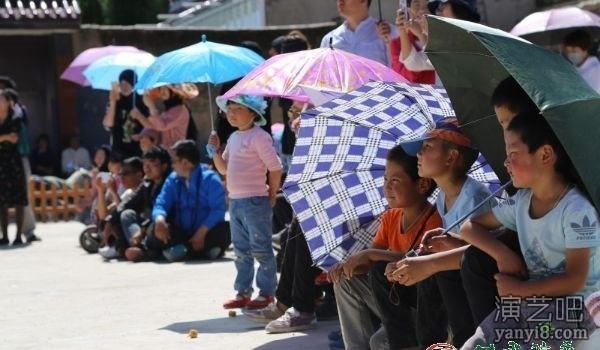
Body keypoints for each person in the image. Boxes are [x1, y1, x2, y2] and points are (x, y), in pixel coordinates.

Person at [459, 113, 600, 349]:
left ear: (545, 154)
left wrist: (519, 289)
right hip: (531, 304)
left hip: (579, 307)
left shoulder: (576, 211)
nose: (506, 163)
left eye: (512, 154)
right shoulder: (521, 202)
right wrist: (503, 254)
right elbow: (469, 227)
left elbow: (576, 279)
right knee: (478, 343)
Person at [387, 118, 494, 348]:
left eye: (426, 148)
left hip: (474, 281)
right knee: (389, 270)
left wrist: (433, 258)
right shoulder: (443, 196)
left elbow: (480, 254)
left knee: (435, 271)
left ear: (451, 157)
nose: (418, 155)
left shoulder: (474, 197)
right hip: (458, 274)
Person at [327, 145, 441, 350]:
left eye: (395, 180)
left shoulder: (434, 221)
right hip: (390, 300)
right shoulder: (391, 217)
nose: (387, 187)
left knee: (379, 342)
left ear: (423, 184)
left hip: (418, 307)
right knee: (345, 280)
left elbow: (417, 261)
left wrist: (370, 254)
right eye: (386, 179)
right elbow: (371, 264)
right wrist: (349, 266)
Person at [460, 76, 540, 326]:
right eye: (502, 124)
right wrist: (502, 253)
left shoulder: (572, 204)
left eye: (509, 123)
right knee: (475, 259)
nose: (505, 133)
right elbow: (470, 227)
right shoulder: (523, 197)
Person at [208, 94, 282, 310]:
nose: (231, 113)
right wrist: (215, 152)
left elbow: (275, 167)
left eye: (237, 109)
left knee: (261, 248)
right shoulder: (233, 138)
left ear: (253, 113)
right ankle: (243, 291)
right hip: (237, 201)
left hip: (255, 200)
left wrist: (272, 193)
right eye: (229, 109)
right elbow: (224, 168)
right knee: (241, 250)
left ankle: (267, 293)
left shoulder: (259, 137)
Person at [148, 140, 229, 262]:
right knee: (155, 229)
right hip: (181, 235)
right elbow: (161, 203)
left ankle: (184, 251)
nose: (172, 166)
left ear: (185, 162)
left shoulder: (211, 179)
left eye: (174, 161)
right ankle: (200, 251)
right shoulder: (172, 179)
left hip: (206, 233)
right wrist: (159, 219)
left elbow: (217, 211)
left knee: (226, 230)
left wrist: (201, 233)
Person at [111, 146, 172, 261]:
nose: (147, 169)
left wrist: (143, 229)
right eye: (145, 165)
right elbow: (129, 202)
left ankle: (143, 251)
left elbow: (164, 211)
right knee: (126, 214)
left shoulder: (170, 183)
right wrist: (110, 219)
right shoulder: (147, 183)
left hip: (164, 224)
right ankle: (141, 249)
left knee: (155, 226)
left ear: (164, 166)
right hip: (148, 226)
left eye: (151, 165)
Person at [394, 0, 480, 74]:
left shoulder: (462, 52)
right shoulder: (445, 45)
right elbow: (413, 63)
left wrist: (425, 33)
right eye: (438, 9)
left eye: (442, 14)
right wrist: (405, 30)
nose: (435, 15)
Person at [96, 156, 145, 259]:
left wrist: (114, 192)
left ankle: (134, 248)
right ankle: (117, 247)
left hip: (143, 230)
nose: (121, 178)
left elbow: (121, 212)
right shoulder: (128, 192)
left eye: (125, 174)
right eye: (120, 174)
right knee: (109, 221)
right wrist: (100, 190)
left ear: (139, 175)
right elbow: (104, 215)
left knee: (123, 216)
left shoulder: (145, 190)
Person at [321, 0, 392, 66]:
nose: (340, 0)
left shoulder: (389, 33)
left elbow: (397, 71)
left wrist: (389, 42)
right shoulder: (329, 40)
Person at [380, 0, 436, 83]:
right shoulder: (397, 43)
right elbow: (402, 76)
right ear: (408, 9)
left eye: (428, 5)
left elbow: (436, 59)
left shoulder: (442, 38)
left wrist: (421, 34)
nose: (422, 10)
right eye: (417, 4)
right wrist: (402, 30)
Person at [0, 89, 28, 245]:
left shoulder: (16, 117)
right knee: (1, 200)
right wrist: (5, 137)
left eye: (2, 99)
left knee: (18, 198)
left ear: (8, 102)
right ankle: (4, 235)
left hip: (13, 160)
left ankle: (18, 235)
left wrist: (4, 138)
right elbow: (9, 137)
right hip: (1, 161)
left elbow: (15, 138)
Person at [132, 84, 196, 150]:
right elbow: (154, 127)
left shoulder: (181, 110)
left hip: (175, 153)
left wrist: (151, 106)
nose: (162, 92)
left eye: (165, 88)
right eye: (161, 89)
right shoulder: (168, 111)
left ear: (174, 92)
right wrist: (143, 135)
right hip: (167, 153)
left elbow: (161, 126)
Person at [102, 69, 149, 158]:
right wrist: (113, 102)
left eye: (127, 83)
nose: (124, 87)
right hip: (118, 149)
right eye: (121, 84)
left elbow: (150, 127)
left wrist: (139, 116)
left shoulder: (142, 101)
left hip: (137, 150)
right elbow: (107, 124)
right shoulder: (116, 100)